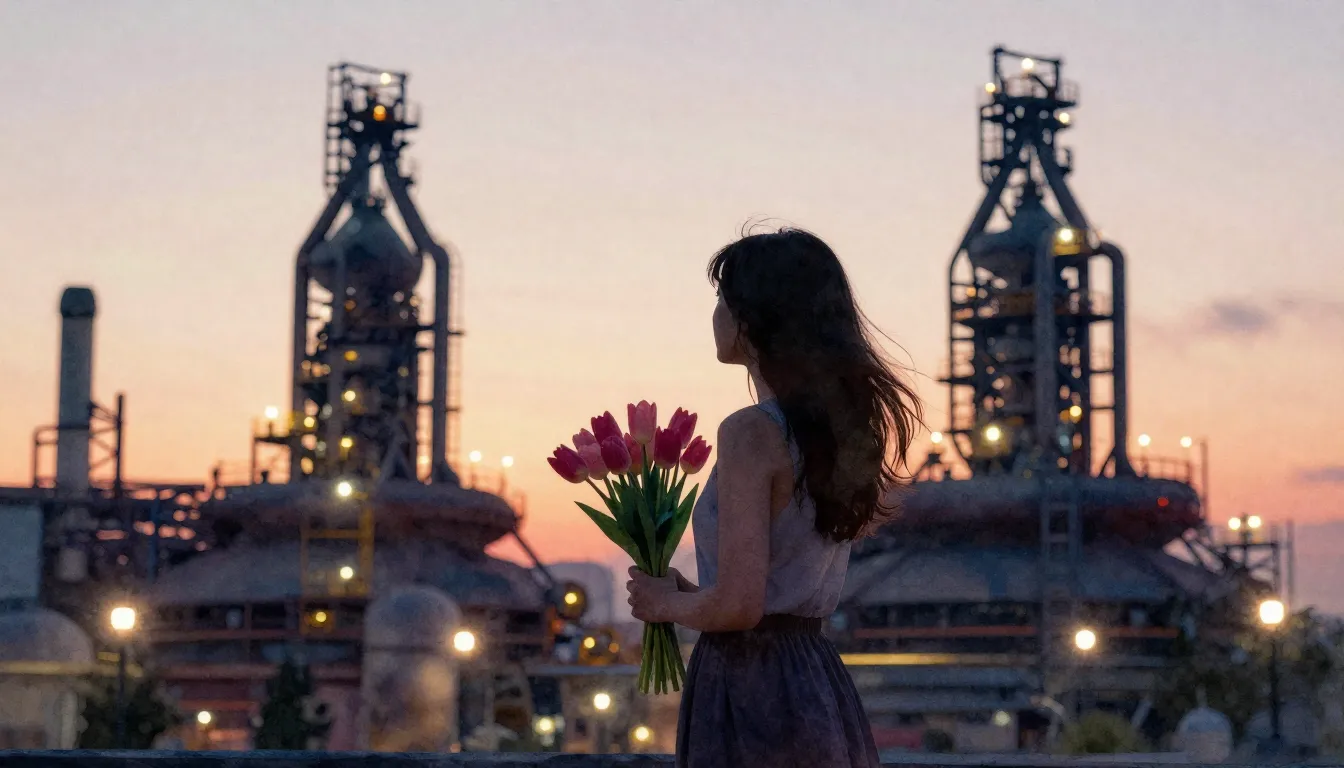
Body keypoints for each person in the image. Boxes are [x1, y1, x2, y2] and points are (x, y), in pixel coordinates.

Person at [626, 227, 923, 767]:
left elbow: (741, 607)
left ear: (752, 319)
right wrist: (691, 592)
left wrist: (662, 603)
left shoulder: (750, 433)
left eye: (721, 300)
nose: (714, 315)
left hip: (750, 684)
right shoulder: (837, 430)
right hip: (814, 676)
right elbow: (777, 588)